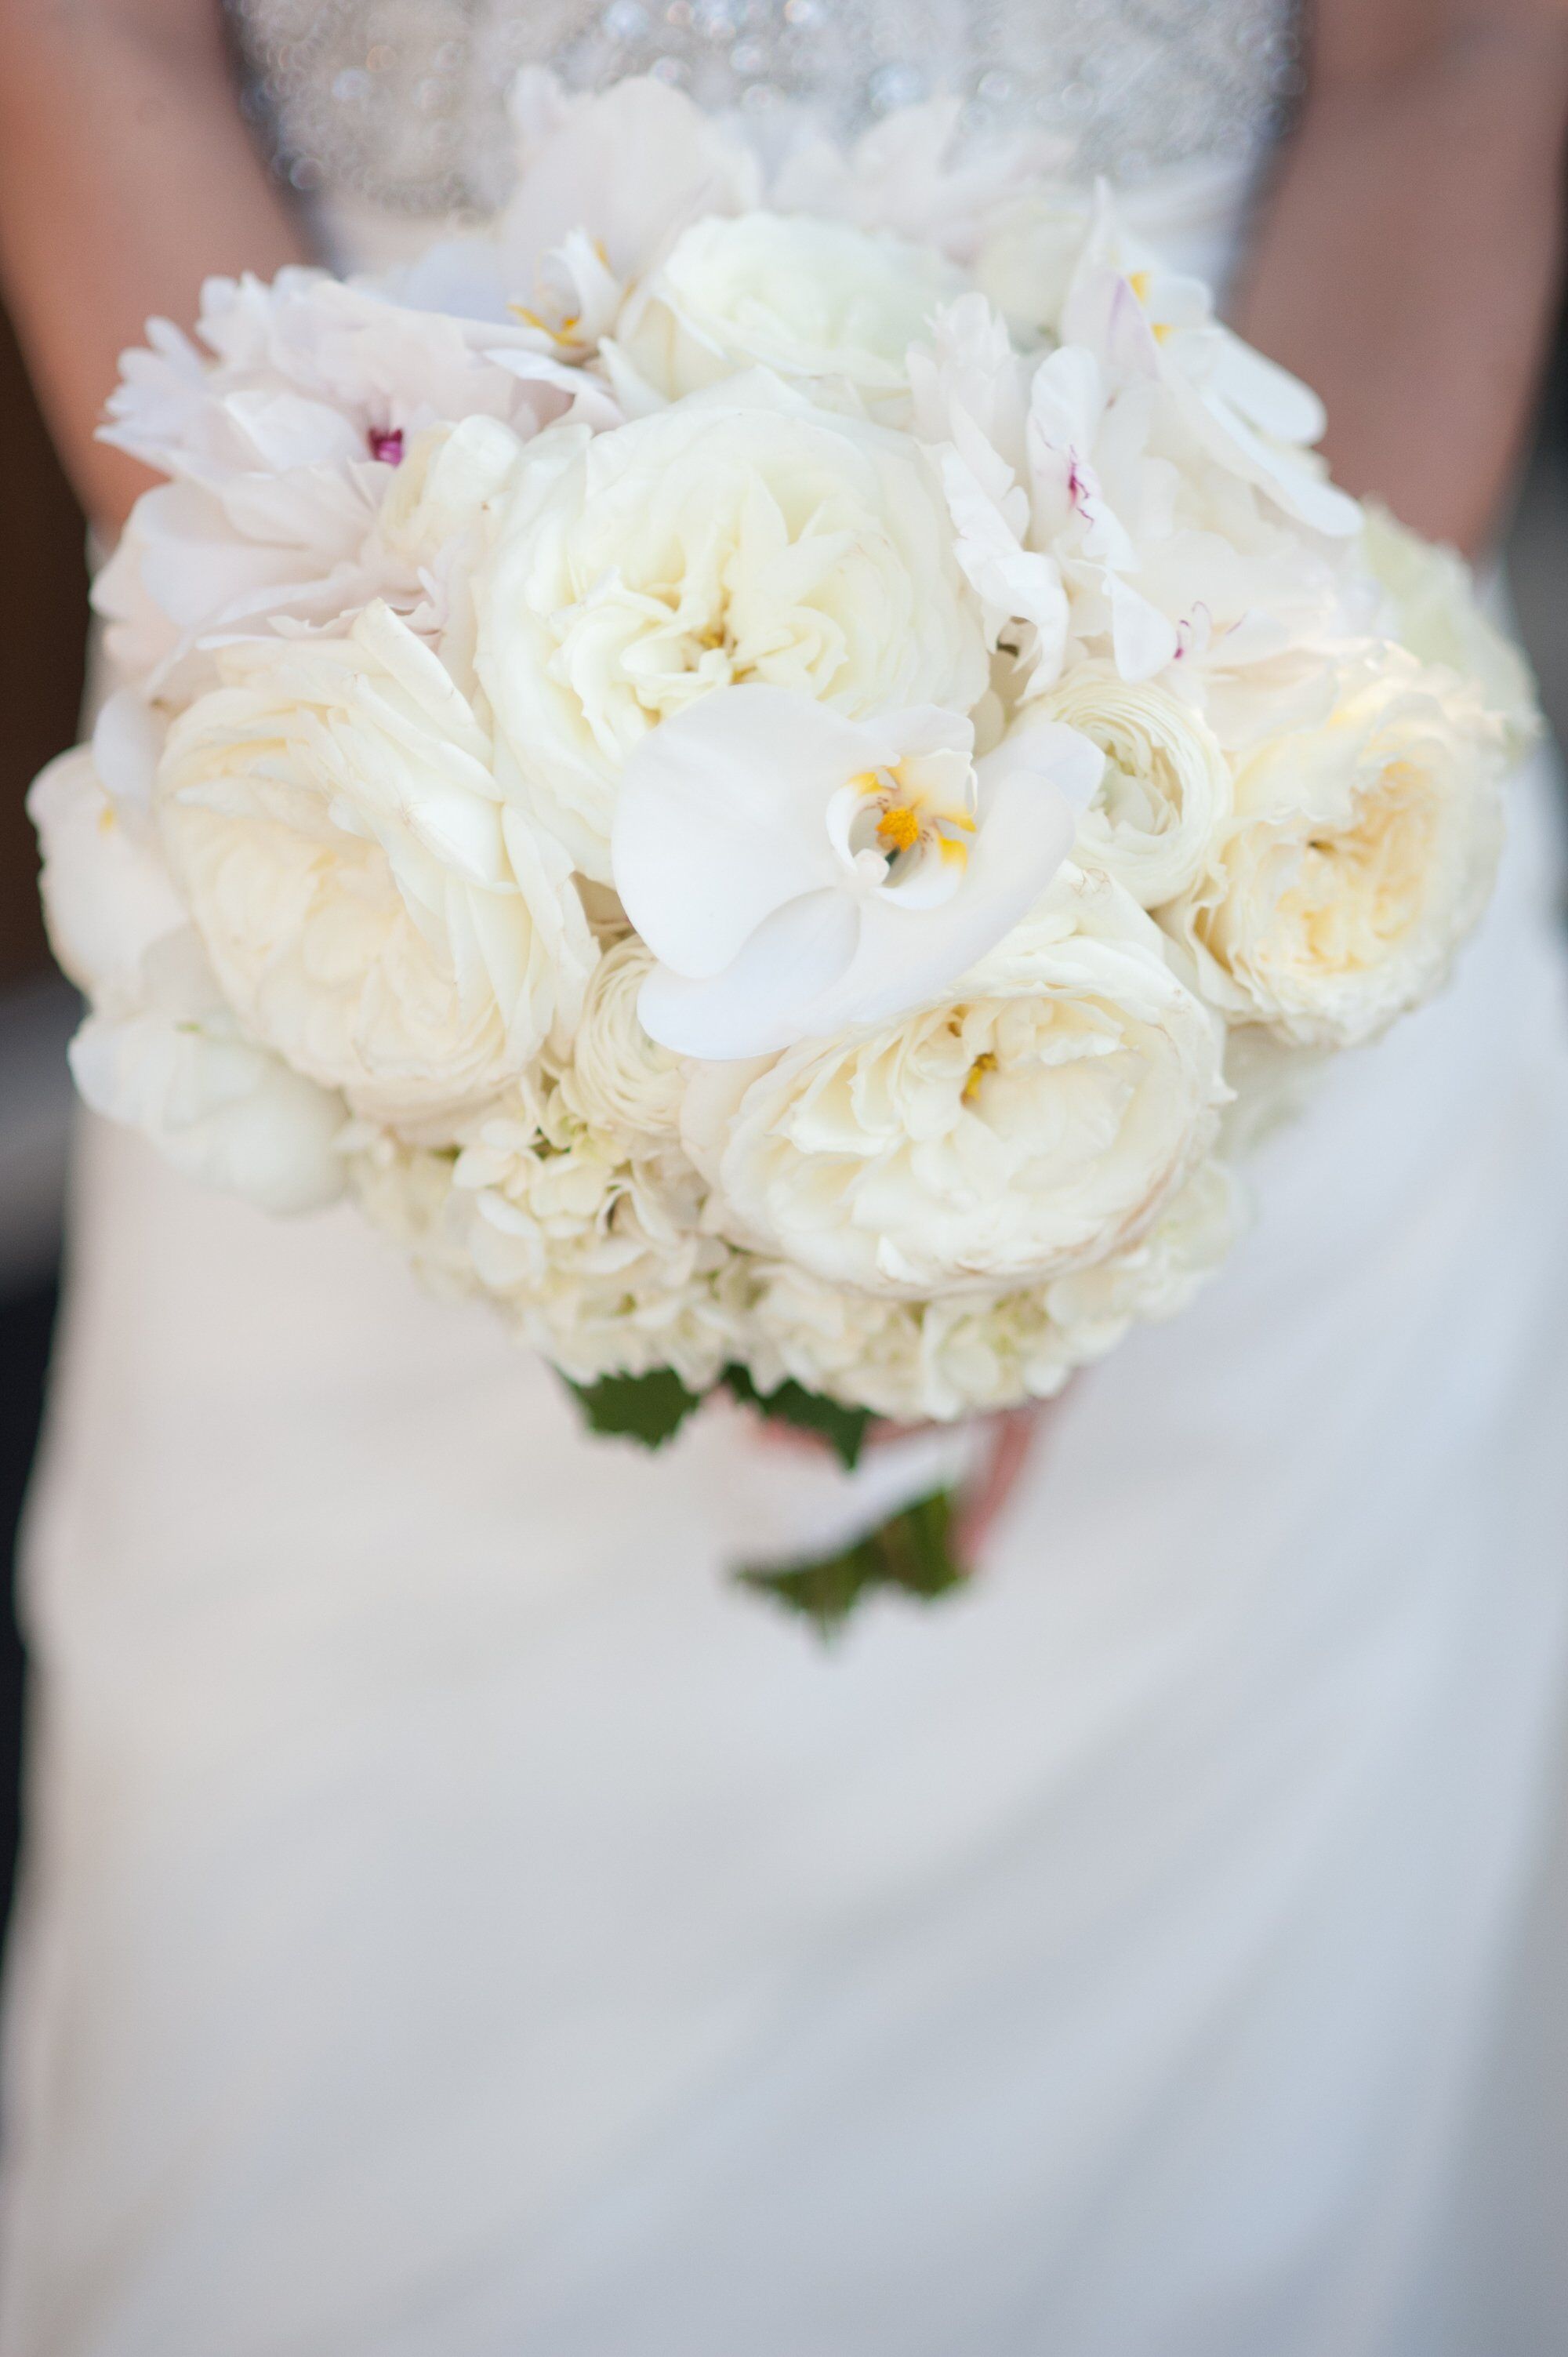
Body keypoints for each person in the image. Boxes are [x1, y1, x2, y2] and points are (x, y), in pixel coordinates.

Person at [1, 2, 1567, 2349]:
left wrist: (1178, 990)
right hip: (358, 823)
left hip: (1215, 719)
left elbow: (1442, 62)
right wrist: (432, 827)